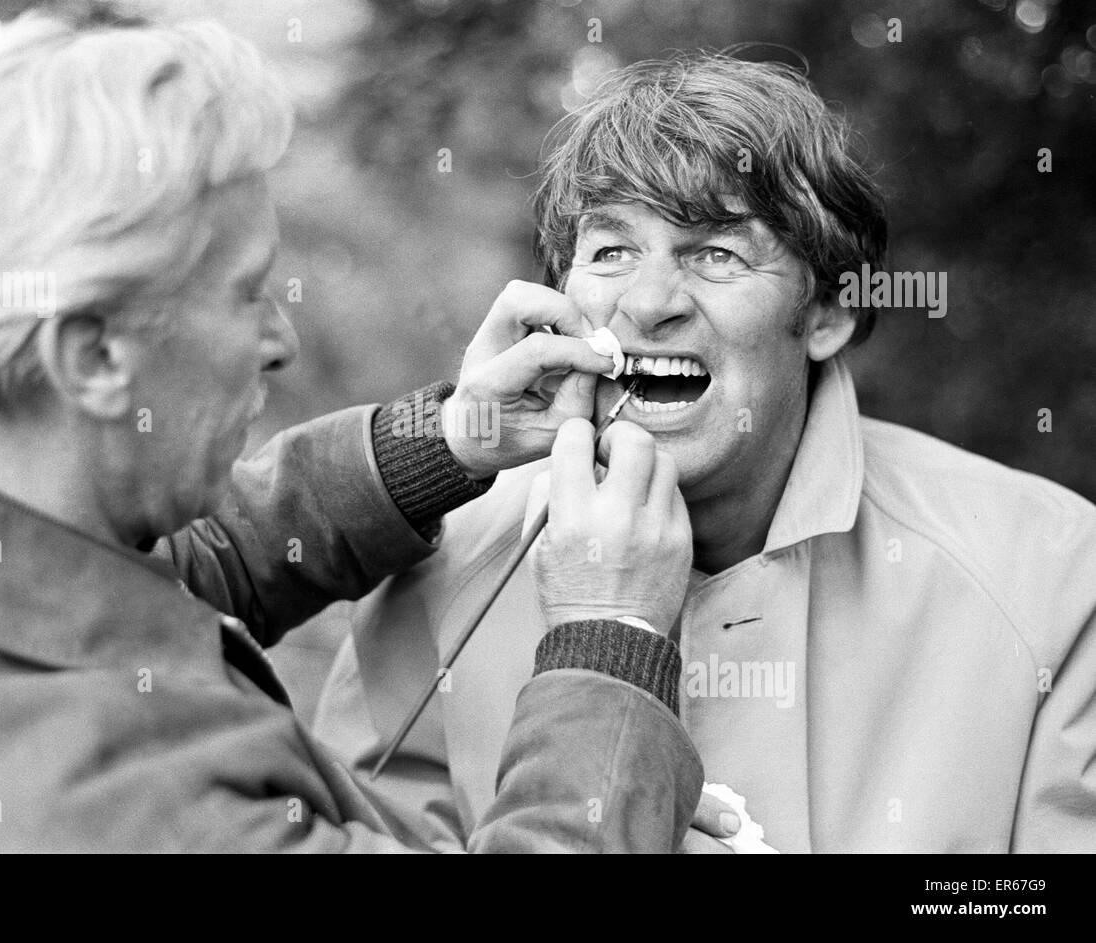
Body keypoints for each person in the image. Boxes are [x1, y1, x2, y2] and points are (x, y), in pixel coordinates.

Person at [0, 13, 703, 852]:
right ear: (94, 355)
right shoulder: (110, 805)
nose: (282, 338)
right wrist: (608, 643)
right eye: (244, 293)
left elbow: (156, 582)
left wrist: (441, 442)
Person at [313, 54, 1096, 853]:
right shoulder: (437, 572)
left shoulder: (1055, 576)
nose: (650, 304)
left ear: (825, 311)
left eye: (717, 253)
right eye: (612, 251)